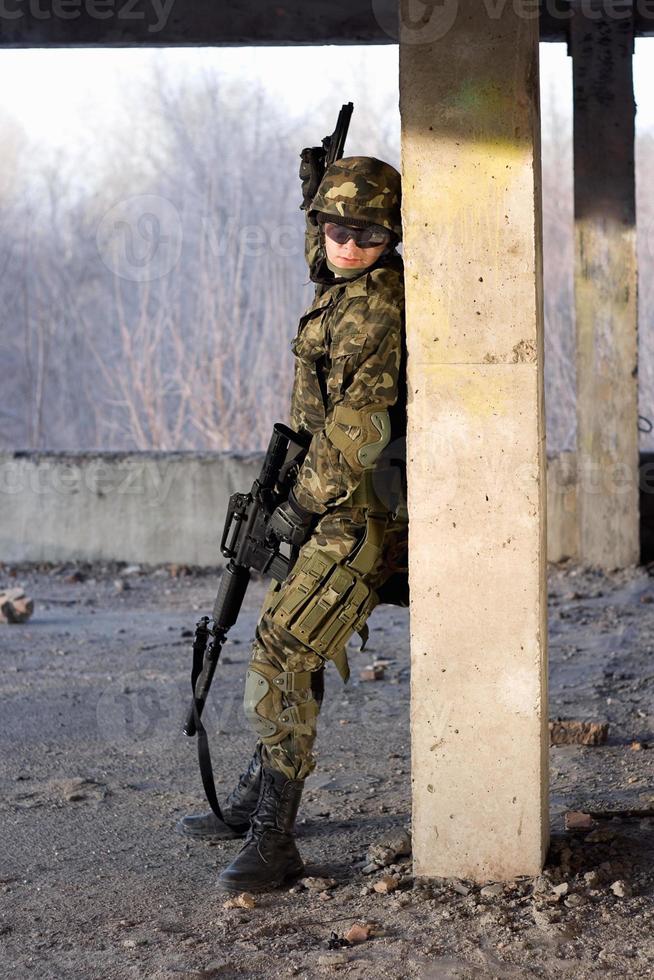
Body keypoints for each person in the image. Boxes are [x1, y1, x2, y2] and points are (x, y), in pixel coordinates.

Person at [178, 156, 408, 893]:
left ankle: (275, 837)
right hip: (330, 494)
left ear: (391, 234)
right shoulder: (341, 286)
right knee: (284, 632)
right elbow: (326, 254)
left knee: (284, 642)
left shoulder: (375, 309)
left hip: (365, 506)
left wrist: (297, 508)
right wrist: (314, 194)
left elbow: (354, 433)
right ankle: (256, 793)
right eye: (335, 227)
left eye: (367, 232)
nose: (347, 244)